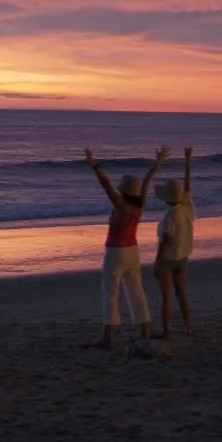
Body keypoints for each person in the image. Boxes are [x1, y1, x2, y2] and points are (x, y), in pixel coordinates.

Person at [84, 146, 170, 349]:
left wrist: (95, 166)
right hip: (133, 251)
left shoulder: (121, 208)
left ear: (123, 192)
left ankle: (108, 338)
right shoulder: (139, 206)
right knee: (136, 290)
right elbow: (146, 184)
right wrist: (157, 163)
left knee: (111, 292)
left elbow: (106, 186)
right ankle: (144, 331)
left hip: (115, 252)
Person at [153, 146, 196, 342]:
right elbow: (187, 187)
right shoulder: (188, 208)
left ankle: (166, 332)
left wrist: (156, 262)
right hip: (183, 258)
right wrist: (187, 161)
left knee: (167, 297)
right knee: (181, 294)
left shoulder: (170, 216)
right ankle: (188, 327)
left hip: (169, 259)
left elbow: (166, 241)